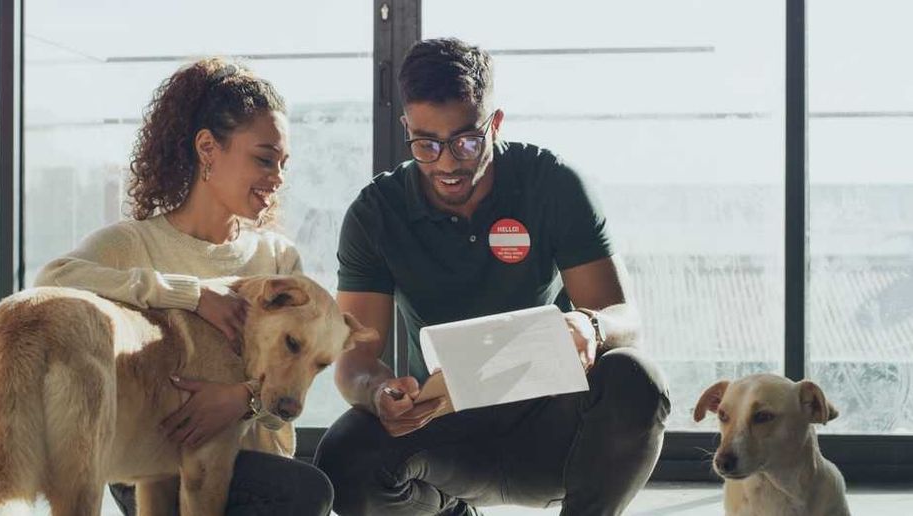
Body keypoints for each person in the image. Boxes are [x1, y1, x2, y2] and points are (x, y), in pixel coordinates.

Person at [314, 38, 670, 516]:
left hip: (554, 430)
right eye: (426, 144)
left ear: (495, 124)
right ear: (406, 128)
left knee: (636, 377)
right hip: (445, 430)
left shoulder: (554, 184)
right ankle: (452, 512)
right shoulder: (375, 213)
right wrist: (378, 392)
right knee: (345, 455)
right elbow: (353, 359)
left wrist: (592, 326)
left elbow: (625, 319)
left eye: (466, 140)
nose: (446, 162)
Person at [34, 57, 332, 516]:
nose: (277, 178)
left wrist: (239, 400)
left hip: (251, 469)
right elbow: (52, 280)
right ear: (208, 148)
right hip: (152, 463)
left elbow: (282, 404)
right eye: (264, 159)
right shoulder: (133, 242)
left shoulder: (277, 260)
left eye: (283, 164)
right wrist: (191, 295)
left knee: (304, 491)